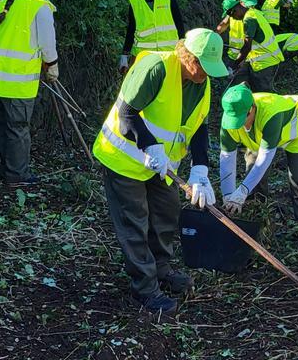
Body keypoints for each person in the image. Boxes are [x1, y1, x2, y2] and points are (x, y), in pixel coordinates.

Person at [92, 29, 227, 313]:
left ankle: (161, 269)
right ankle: (145, 287)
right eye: (201, 65)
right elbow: (126, 113)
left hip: (163, 166)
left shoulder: (202, 81)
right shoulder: (155, 68)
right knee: (135, 223)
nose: (205, 73)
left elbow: (199, 127)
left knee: (166, 214)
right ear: (186, 55)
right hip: (125, 158)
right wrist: (151, 147)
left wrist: (200, 169)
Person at [217, 84, 298, 257]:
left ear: (252, 109)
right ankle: (257, 229)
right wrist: (228, 196)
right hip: (258, 139)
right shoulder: (230, 119)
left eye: (242, 119)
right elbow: (226, 158)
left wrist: (241, 191)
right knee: (253, 181)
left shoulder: (272, 114)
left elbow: (264, 161)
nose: (238, 125)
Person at [0, 0, 58, 188]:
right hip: (18, 79)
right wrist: (51, 66)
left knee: (3, 127)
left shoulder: (2, 5)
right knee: (18, 128)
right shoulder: (39, 6)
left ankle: (5, 169)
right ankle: (17, 175)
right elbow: (47, 42)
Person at [120, 0, 185, 74]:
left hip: (169, 54)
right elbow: (131, 30)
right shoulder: (135, 2)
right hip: (144, 56)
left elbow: (179, 22)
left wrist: (183, 47)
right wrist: (124, 56)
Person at [221, 0, 283, 92]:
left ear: (237, 8)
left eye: (230, 13)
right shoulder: (253, 13)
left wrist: (233, 66)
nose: (231, 17)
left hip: (266, 62)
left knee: (264, 94)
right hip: (259, 61)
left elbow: (247, 46)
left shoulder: (249, 20)